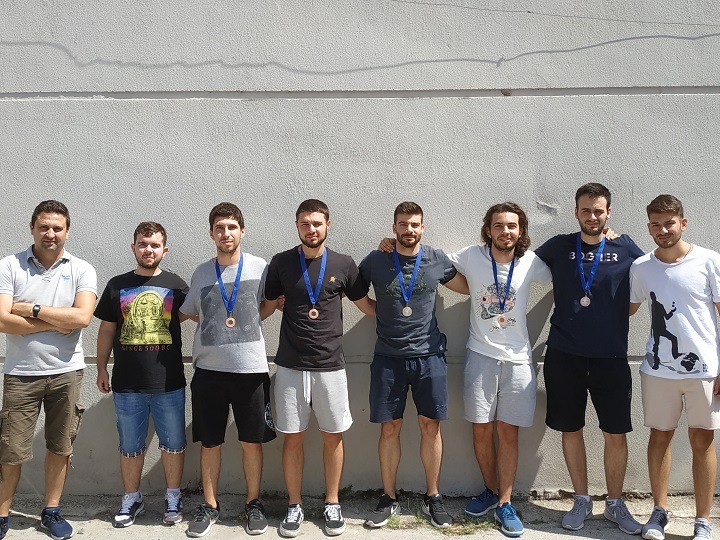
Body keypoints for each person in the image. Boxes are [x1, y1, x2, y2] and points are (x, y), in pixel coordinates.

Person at [534, 183, 644, 534]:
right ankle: (581, 499)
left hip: (610, 355)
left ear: (609, 212)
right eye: (586, 210)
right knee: (571, 429)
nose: (592, 217)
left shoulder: (626, 247)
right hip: (564, 354)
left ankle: (615, 503)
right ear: (576, 212)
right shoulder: (559, 246)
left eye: (599, 211)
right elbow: (515, 261)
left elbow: (653, 275)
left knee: (615, 432)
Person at [264, 199, 374, 538]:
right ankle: (294, 505)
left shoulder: (344, 263)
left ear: (328, 224)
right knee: (293, 438)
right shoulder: (281, 262)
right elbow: (268, 305)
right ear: (297, 225)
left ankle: (332, 502)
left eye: (317, 223)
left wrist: (403, 313)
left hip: (330, 366)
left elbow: (366, 306)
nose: (311, 229)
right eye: (305, 223)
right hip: (290, 366)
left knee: (333, 437)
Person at [359, 202, 467, 530]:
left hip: (429, 356)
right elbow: (354, 292)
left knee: (430, 426)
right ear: (394, 227)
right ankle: (388, 497)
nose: (409, 230)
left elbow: (468, 286)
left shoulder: (436, 258)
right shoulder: (376, 260)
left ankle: (433, 496)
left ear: (423, 228)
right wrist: (378, 312)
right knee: (389, 428)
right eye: (403, 224)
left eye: (415, 224)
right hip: (388, 357)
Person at [449, 202, 551, 538]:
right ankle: (491, 491)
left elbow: (565, 275)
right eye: (498, 225)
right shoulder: (471, 256)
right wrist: (390, 244)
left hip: (519, 361)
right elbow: (432, 262)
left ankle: (505, 503)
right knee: (481, 430)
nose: (505, 231)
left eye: (511, 226)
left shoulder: (532, 262)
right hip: (480, 356)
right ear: (488, 230)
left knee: (508, 433)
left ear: (520, 231)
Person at [0, 200, 97, 540]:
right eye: (44, 227)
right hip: (21, 374)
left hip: (66, 373)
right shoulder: (9, 265)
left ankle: (51, 511)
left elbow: (82, 317)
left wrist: (31, 310)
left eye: (57, 228)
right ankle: (2, 514)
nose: (50, 233)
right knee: (11, 449)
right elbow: (2, 320)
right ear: (32, 228)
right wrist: (57, 321)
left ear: (67, 231)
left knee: (60, 446)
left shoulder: (82, 269)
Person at [180, 203, 277, 537]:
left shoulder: (260, 267)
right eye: (219, 228)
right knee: (210, 443)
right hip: (209, 370)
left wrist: (247, 321)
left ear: (242, 231)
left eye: (232, 227)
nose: (226, 233)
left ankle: (253, 503)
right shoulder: (201, 273)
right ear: (211, 233)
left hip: (250, 370)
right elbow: (192, 312)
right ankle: (210, 505)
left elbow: (270, 304)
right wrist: (218, 324)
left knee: (252, 441)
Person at [629, 194, 720, 540]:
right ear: (649, 227)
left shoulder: (710, 261)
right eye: (655, 224)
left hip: (704, 370)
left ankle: (703, 521)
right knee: (659, 437)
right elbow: (626, 309)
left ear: (683, 223)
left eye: (669, 223)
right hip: (658, 371)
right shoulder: (641, 267)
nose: (662, 230)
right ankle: (659, 512)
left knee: (702, 441)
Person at [94, 221, 190, 527]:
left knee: (173, 443)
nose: (148, 250)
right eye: (143, 244)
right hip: (127, 384)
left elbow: (195, 315)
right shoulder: (117, 285)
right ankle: (131, 498)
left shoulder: (177, 285)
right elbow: (107, 330)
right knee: (130, 446)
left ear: (165, 249)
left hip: (168, 382)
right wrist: (101, 368)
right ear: (133, 247)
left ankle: (173, 496)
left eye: (154, 245)